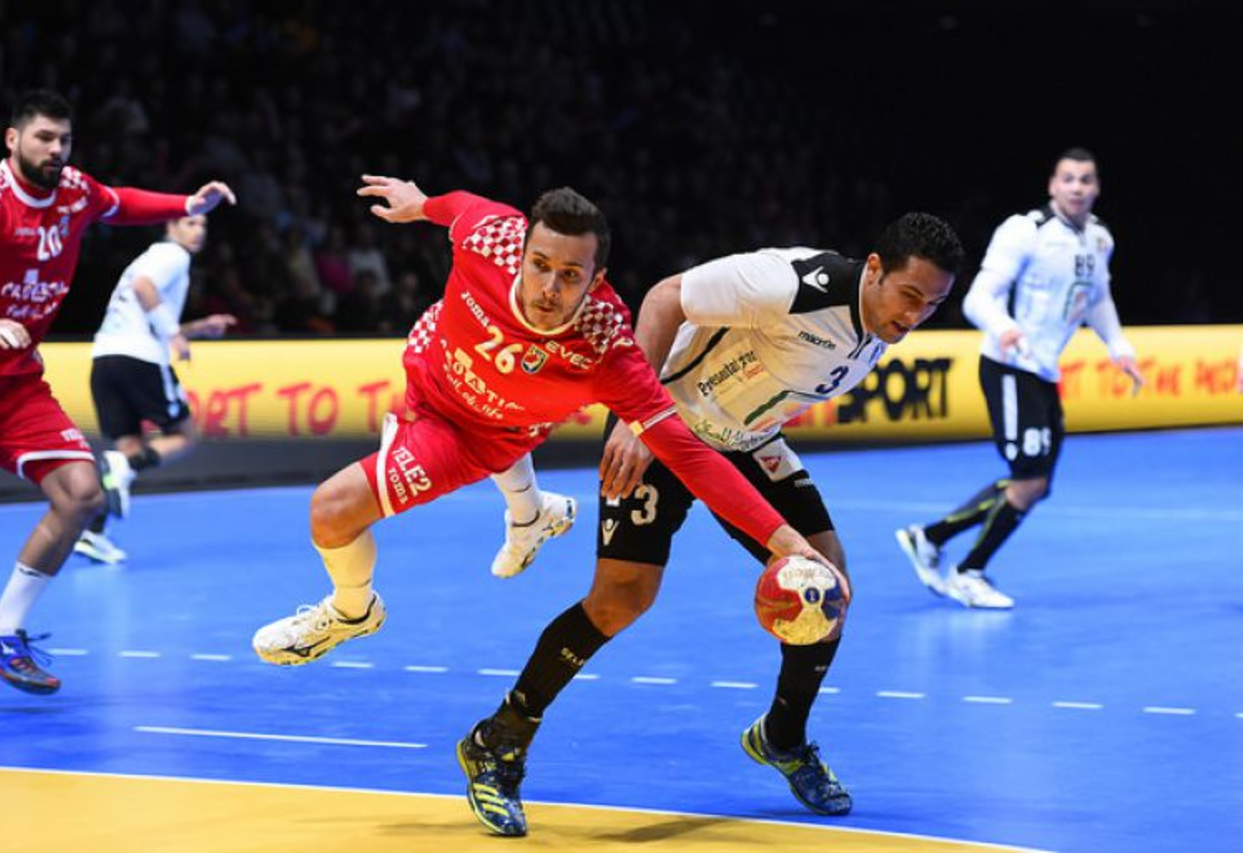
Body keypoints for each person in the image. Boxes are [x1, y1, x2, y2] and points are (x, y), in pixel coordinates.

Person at [460, 213, 965, 836]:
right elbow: (666, 297)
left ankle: (782, 736)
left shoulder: (879, 321)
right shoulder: (791, 284)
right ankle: (498, 739)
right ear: (874, 270)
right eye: (909, 295)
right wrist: (638, 418)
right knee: (621, 600)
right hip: (663, 429)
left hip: (747, 442)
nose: (915, 315)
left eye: (932, 305)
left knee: (828, 585)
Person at [251, 178, 822, 676]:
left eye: (570, 275)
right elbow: (459, 205)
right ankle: (530, 515)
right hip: (431, 364)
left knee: (332, 511)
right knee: (452, 437)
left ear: (596, 278)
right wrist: (419, 203)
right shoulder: (489, 237)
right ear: (521, 251)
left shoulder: (608, 351)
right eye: (540, 265)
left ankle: (352, 611)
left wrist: (787, 543)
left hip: (472, 436)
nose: (549, 288)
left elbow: (689, 456)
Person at [0, 89, 235, 693]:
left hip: (15, 388)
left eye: (64, 139)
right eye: (44, 138)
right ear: (12, 139)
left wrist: (187, 203)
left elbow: (121, 202)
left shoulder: (74, 191)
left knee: (83, 493)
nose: (56, 150)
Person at [896, 148, 1143, 609]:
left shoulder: (1099, 239)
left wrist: (1119, 348)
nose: (1076, 187)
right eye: (1068, 178)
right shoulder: (1025, 231)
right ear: (1052, 185)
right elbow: (978, 299)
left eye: (1085, 180)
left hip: (1044, 372)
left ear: (1096, 188)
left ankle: (929, 538)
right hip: (1010, 367)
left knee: (1038, 484)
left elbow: (1097, 300)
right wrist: (1006, 328)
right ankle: (969, 571)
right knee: (1028, 480)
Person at [73, 214, 237, 565]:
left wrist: (197, 328)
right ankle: (121, 466)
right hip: (141, 360)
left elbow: (145, 318)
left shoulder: (146, 257)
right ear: (170, 227)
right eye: (190, 223)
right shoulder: (172, 255)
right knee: (185, 436)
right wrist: (175, 335)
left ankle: (95, 533)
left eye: (203, 225)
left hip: (105, 360)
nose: (198, 231)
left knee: (129, 453)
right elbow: (143, 288)